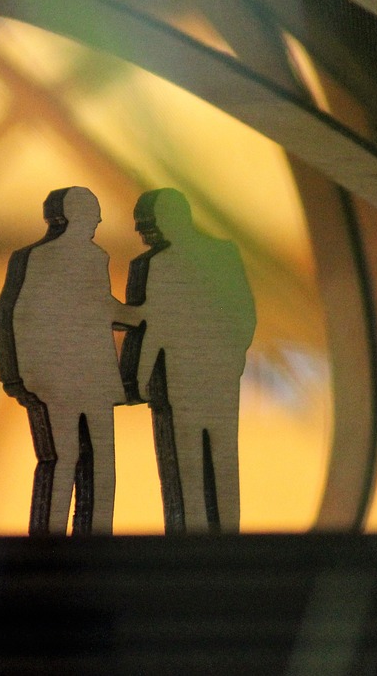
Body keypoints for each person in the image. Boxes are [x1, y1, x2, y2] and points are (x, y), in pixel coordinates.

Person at [0, 187, 137, 535]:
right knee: (63, 457)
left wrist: (139, 316)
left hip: (96, 380)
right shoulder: (38, 259)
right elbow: (16, 315)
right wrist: (28, 376)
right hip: (58, 383)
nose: (98, 221)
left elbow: (102, 307)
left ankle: (97, 537)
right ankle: (51, 537)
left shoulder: (96, 257)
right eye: (92, 214)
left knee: (101, 463)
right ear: (71, 216)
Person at [121, 188, 255, 532]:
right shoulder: (224, 254)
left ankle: (193, 542)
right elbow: (245, 313)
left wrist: (138, 380)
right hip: (217, 379)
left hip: (183, 380)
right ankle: (227, 538)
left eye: (146, 225)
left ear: (165, 220)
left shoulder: (159, 265)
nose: (143, 233)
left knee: (189, 470)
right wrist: (234, 359)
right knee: (221, 461)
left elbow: (154, 329)